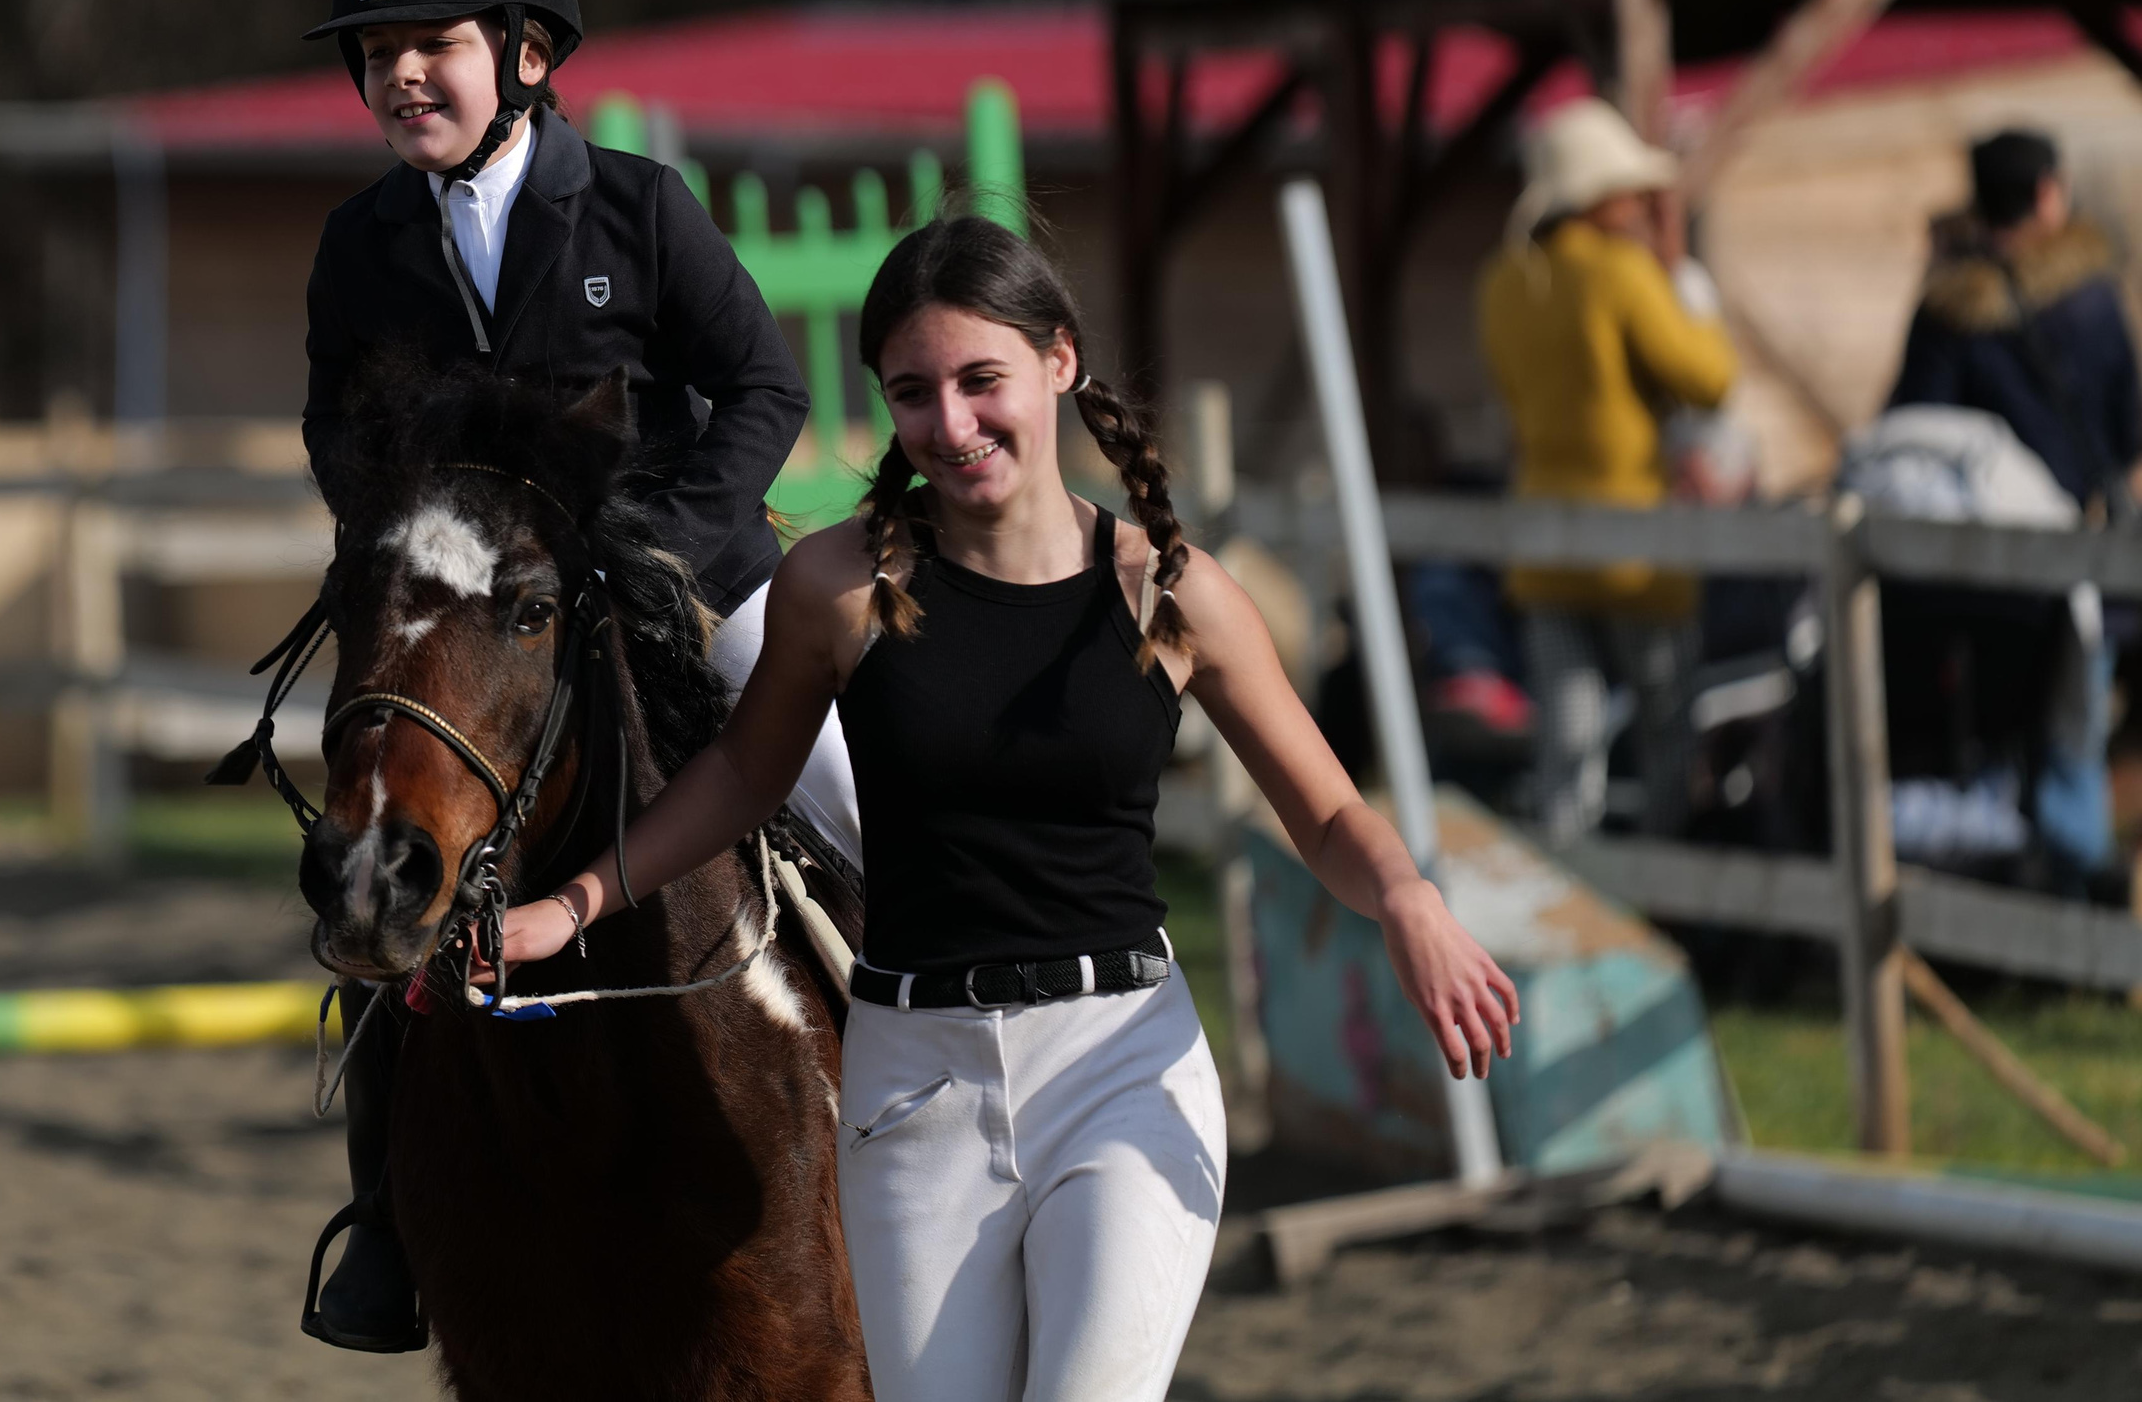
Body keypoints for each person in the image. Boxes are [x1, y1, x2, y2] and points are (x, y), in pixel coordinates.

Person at [488, 217, 1518, 1402]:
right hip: (913, 1081)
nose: (953, 423)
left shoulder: (1169, 591)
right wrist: (574, 900)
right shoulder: (837, 585)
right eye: (913, 392)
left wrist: (1407, 898)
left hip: (1119, 1066)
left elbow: (1329, 810)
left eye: (982, 379)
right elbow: (739, 778)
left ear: (1060, 361)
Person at [292, 0, 862, 1351]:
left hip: (685, 593)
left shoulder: (633, 209)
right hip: (482, 628)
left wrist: (658, 548)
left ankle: (937, 1111)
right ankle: (386, 1225)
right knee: (371, 864)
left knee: (866, 811)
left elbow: (766, 391)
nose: (398, 72)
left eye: (432, 42)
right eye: (375, 51)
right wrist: (409, 554)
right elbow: (334, 440)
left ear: (529, 52)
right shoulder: (361, 246)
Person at [1884, 128, 2140, 893]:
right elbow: (2130, 439)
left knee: (1983, 749)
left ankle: (2006, 898)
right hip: (2076, 565)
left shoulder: (1949, 310)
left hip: (1972, 579)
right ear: (2048, 193)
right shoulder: (2092, 303)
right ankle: (2076, 916)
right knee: (2070, 745)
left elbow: (1912, 432)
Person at [1478, 98, 1738, 845]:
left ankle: (1576, 911)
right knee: (1666, 740)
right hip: (1637, 554)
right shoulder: (1622, 274)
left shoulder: (1503, 281)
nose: (1638, 203)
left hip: (1543, 545)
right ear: (1596, 196)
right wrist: (1680, 273)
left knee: (1566, 751)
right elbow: (1708, 377)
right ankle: (1659, 902)